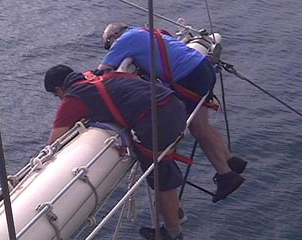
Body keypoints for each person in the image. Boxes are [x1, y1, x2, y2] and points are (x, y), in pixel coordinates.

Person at [98, 23, 247, 203]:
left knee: (197, 129)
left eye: (108, 43)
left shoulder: (123, 41)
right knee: (202, 125)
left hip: (187, 76)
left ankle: (226, 175)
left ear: (114, 35)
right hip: (200, 66)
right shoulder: (144, 31)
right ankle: (230, 160)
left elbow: (103, 70)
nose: (110, 47)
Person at [44, 64, 187, 239]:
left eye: (56, 95)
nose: (59, 99)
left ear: (60, 88)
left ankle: (173, 233)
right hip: (173, 105)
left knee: (160, 177)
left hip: (156, 119)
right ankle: (176, 213)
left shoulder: (75, 96)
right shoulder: (102, 76)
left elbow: (54, 142)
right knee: (163, 167)